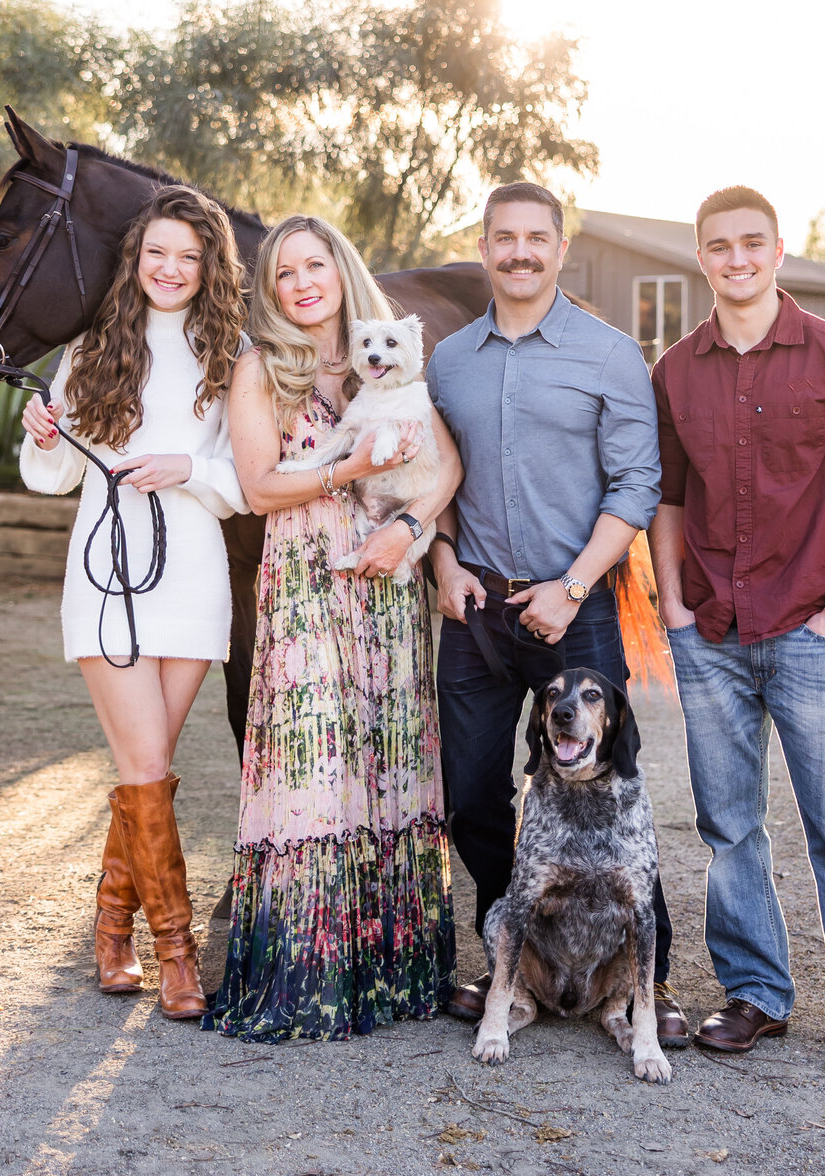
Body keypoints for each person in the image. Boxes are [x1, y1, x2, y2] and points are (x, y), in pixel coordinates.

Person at [649, 185, 825, 1081]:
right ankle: (756, 992)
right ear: (703, 258)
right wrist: (673, 606)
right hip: (711, 629)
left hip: (809, 630)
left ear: (779, 249)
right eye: (719, 246)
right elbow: (669, 495)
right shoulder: (675, 370)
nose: (737, 259)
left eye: (752, 243)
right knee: (729, 828)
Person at [426, 182, 687, 1046]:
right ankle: (519, 958)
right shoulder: (450, 360)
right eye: (504, 238)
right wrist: (442, 561)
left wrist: (571, 586)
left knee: (610, 787)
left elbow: (638, 485)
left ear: (559, 249)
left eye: (537, 238)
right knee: (469, 794)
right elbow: (437, 483)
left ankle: (648, 975)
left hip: (574, 607)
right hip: (477, 606)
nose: (521, 253)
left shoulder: (609, 355)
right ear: (485, 246)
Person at [203, 215, 463, 1041]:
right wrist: (345, 471)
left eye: (315, 264)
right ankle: (306, 970)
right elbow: (257, 485)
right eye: (284, 273)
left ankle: (392, 968)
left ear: (341, 269)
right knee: (316, 770)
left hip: (386, 590)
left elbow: (446, 463)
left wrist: (413, 530)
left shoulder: (386, 358)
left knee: (385, 762)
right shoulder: (261, 368)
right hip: (309, 588)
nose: (302, 283)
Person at [20, 185, 248, 1021]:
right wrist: (44, 438)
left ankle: (111, 929)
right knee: (148, 765)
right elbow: (53, 474)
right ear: (136, 257)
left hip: (190, 576)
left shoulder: (233, 351)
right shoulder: (92, 345)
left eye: (189, 256)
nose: (172, 268)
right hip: (106, 571)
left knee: (140, 769)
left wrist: (191, 470)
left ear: (210, 267)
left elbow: (246, 479)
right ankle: (177, 954)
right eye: (159, 252)